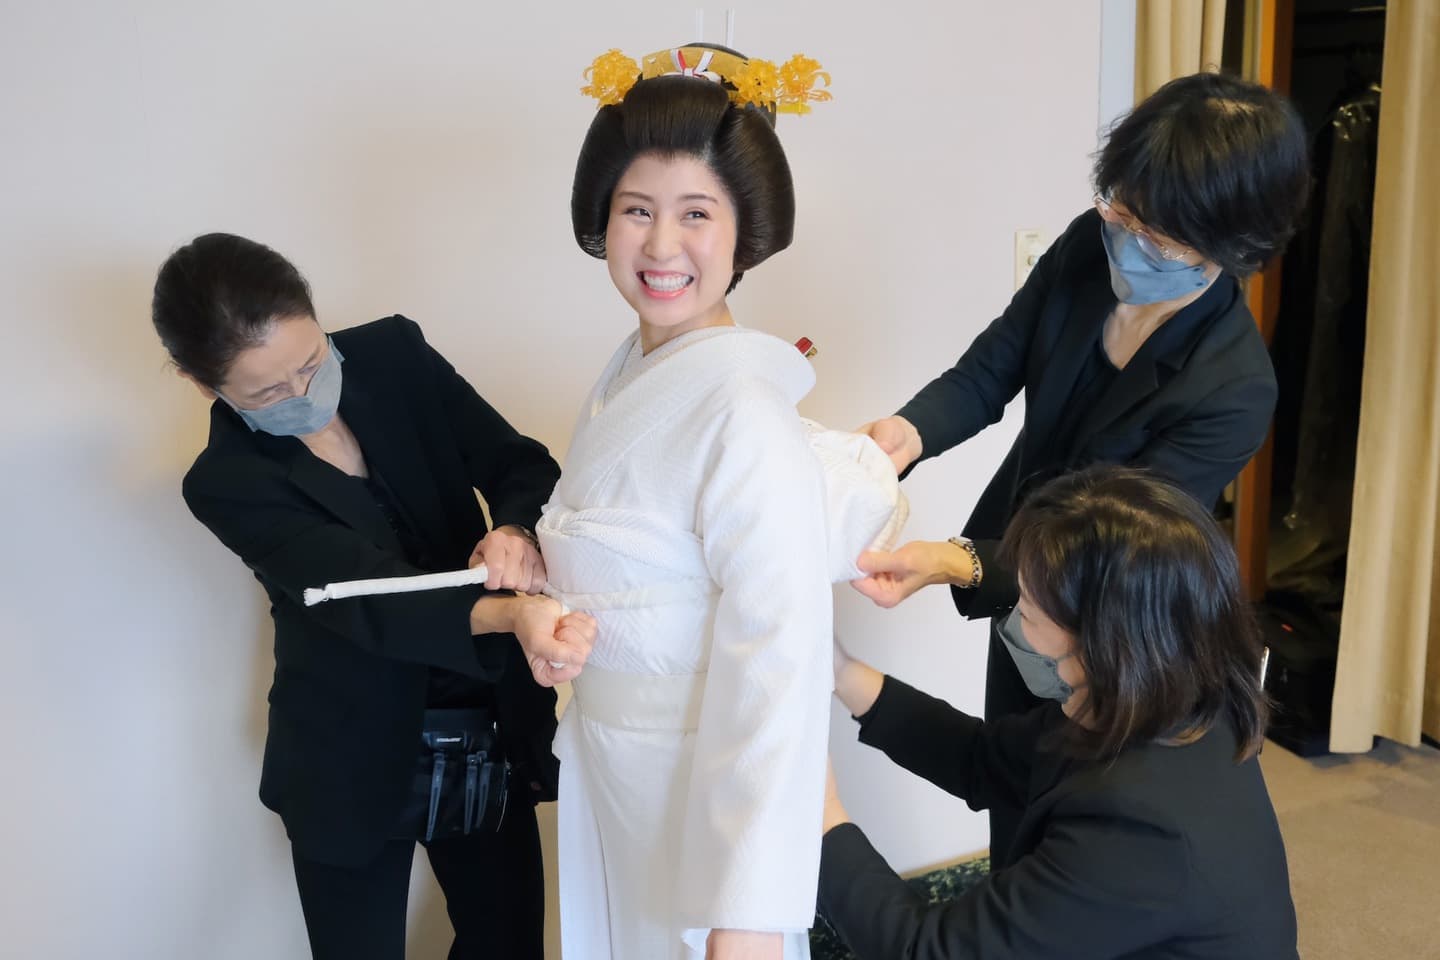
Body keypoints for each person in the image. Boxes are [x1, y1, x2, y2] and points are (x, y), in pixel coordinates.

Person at [851, 71, 1310, 860]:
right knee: (1006, 792)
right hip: (1015, 584)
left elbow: (1110, 547)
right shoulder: (1085, 251)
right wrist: (905, 435)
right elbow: (992, 368)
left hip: (1118, 632)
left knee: (1074, 835)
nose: (1129, 243)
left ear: (1234, 248)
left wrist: (955, 561)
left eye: (1160, 239)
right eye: (1121, 213)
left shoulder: (1232, 389)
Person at [538, 44, 901, 960]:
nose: (661, 247)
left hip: (703, 795)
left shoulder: (742, 407)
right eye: (637, 212)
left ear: (745, 233)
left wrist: (745, 912)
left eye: (695, 214)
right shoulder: (632, 375)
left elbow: (776, 661)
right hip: (617, 768)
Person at [151, 233, 595, 959]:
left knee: (508, 943)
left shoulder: (393, 356)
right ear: (204, 384)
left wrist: (516, 527)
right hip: (347, 756)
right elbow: (359, 596)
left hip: (484, 727)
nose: (303, 398)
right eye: (267, 391)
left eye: (311, 363)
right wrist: (513, 613)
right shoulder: (224, 481)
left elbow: (519, 462)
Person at [821, 466, 1299, 959]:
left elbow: (925, 952)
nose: (1018, 626)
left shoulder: (1140, 829)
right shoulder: (1163, 695)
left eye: (1027, 611)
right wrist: (842, 673)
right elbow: (984, 760)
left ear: (1102, 643)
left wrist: (823, 817)